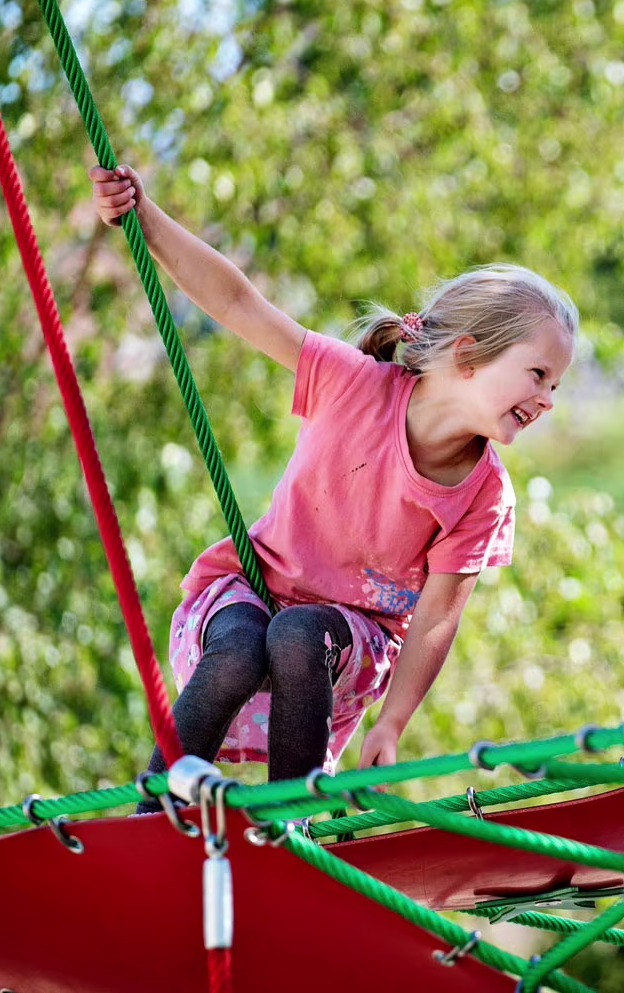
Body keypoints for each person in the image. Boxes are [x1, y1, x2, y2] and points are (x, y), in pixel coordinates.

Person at [90, 165, 578, 807]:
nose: (546, 400)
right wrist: (145, 219)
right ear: (466, 356)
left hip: (350, 639)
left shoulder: (484, 494)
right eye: (538, 374)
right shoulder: (351, 384)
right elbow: (239, 303)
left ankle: (291, 821)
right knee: (240, 650)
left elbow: (435, 618)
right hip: (254, 590)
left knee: (298, 636)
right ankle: (151, 815)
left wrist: (393, 721)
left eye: (555, 387)